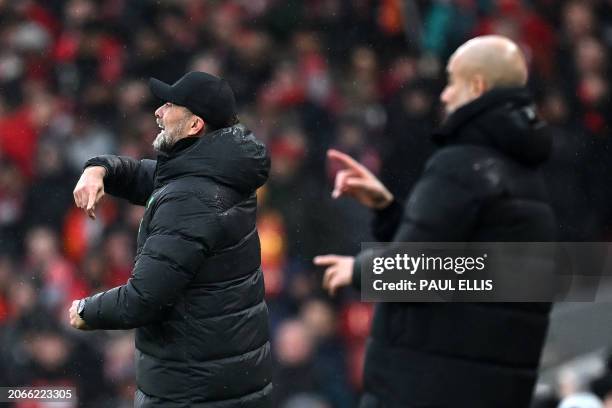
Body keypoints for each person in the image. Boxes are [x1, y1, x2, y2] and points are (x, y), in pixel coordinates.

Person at [314, 36, 556, 407]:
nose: (443, 95)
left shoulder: (460, 165)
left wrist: (360, 269)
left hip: (428, 390)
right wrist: (389, 209)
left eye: (452, 82)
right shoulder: (527, 177)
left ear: (476, 87)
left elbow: (414, 271)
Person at [69, 71, 273, 407]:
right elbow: (145, 176)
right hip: (225, 381)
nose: (158, 112)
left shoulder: (191, 197)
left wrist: (86, 311)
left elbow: (143, 299)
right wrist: (98, 168)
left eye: (170, 105)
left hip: (191, 391)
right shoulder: (220, 168)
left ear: (195, 126)